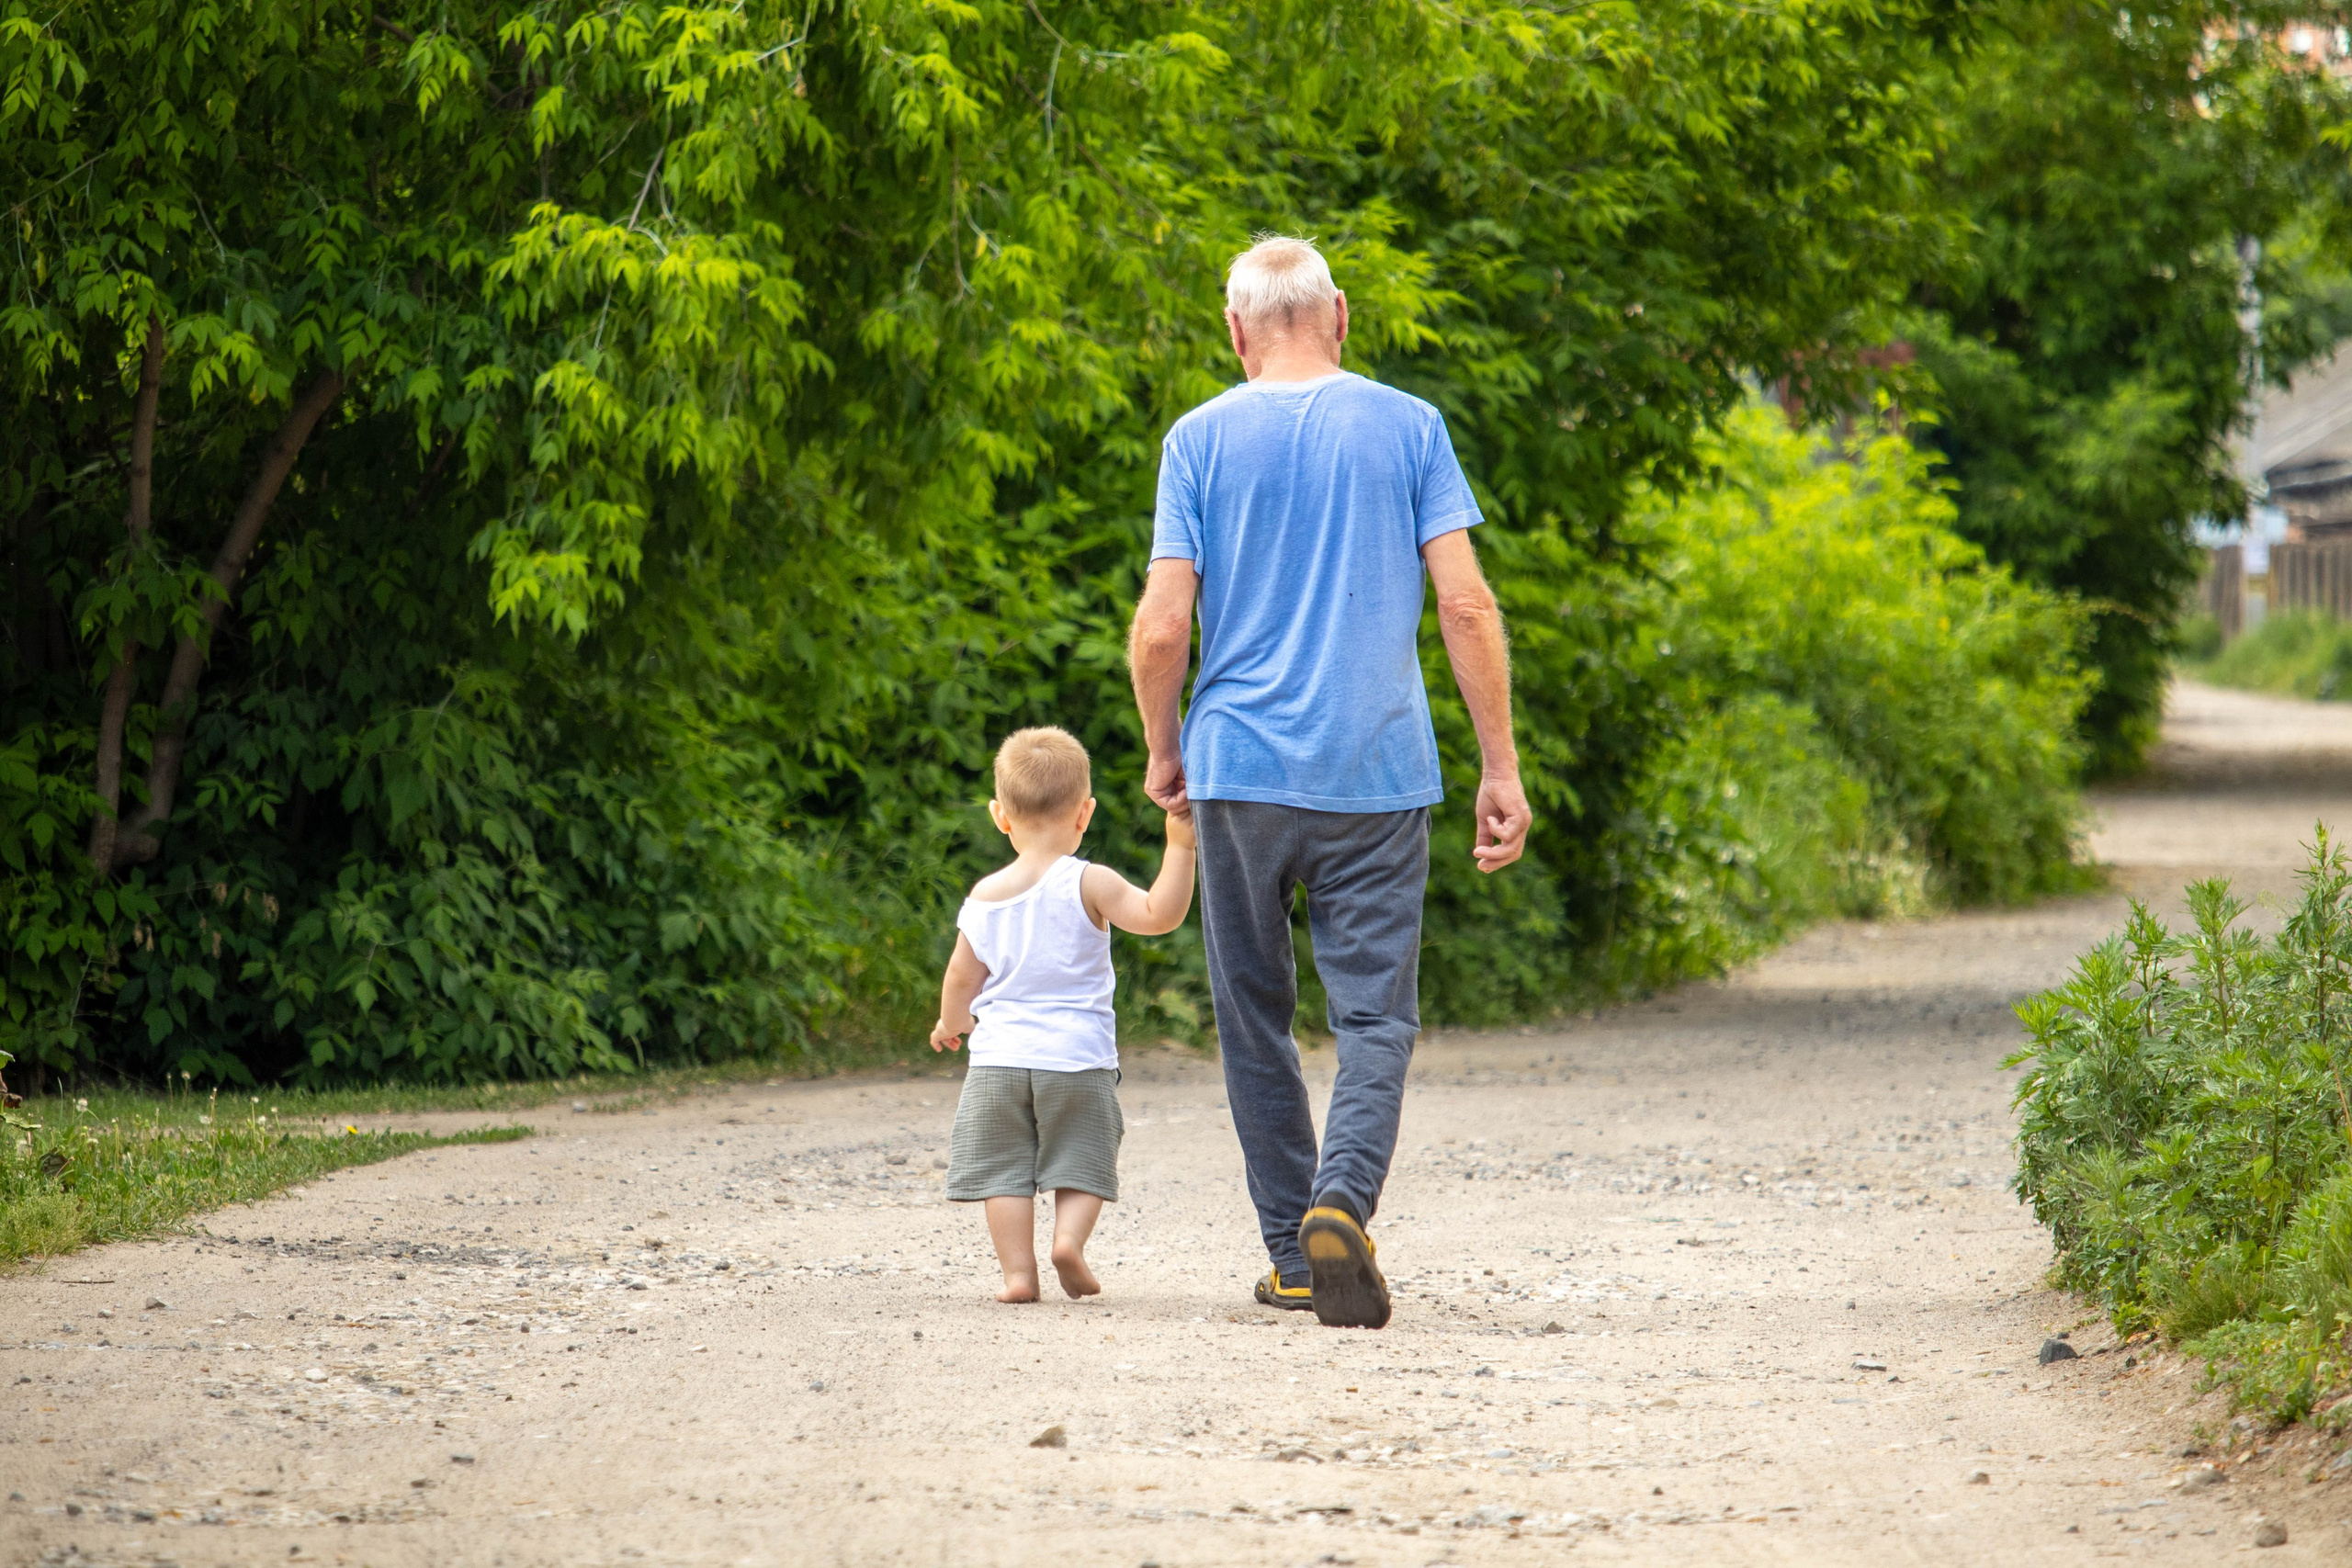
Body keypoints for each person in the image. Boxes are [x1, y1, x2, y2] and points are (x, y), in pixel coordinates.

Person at [1127, 234, 1531, 1330]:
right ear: (1340, 314)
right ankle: (1340, 1204)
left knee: (1252, 1014)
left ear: (1236, 330)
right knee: (1375, 1017)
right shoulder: (1410, 426)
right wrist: (1499, 764)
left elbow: (1164, 626)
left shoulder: (1197, 439)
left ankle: (1290, 1252)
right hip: (1377, 771)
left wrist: (1166, 749)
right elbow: (1466, 606)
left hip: (1240, 770)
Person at [930, 726, 1197, 1303]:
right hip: (1077, 1058)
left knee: (1004, 1171)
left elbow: (961, 977)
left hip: (998, 1061)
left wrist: (952, 1024)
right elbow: (1158, 916)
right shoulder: (1090, 882)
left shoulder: (984, 895)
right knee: (1082, 1158)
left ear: (1000, 816)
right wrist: (1180, 847)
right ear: (1085, 814)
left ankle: (1018, 1276)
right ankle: (1068, 1243)